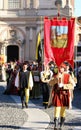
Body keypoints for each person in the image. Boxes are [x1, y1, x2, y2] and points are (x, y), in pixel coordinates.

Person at [49, 63, 74, 130]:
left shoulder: (68, 75)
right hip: (57, 94)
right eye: (59, 68)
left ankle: (61, 124)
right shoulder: (55, 75)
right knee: (57, 109)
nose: (60, 69)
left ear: (64, 68)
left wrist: (64, 86)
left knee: (63, 110)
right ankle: (56, 125)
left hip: (64, 95)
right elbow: (50, 83)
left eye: (62, 68)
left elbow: (72, 85)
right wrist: (55, 80)